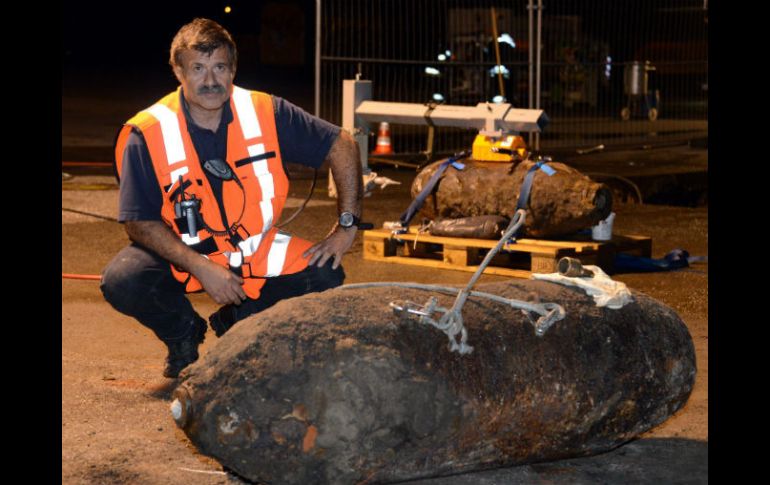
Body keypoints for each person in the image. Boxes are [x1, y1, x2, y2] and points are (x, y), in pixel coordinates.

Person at [100, 18, 365, 378]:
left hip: (252, 248)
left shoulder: (265, 112)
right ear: (178, 71)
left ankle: (239, 321)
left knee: (324, 273)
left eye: (219, 67)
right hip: (182, 250)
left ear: (233, 69)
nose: (210, 81)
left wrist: (346, 226)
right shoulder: (147, 132)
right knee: (123, 278)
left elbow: (342, 144)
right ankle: (183, 334)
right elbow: (139, 222)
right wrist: (201, 266)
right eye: (198, 68)